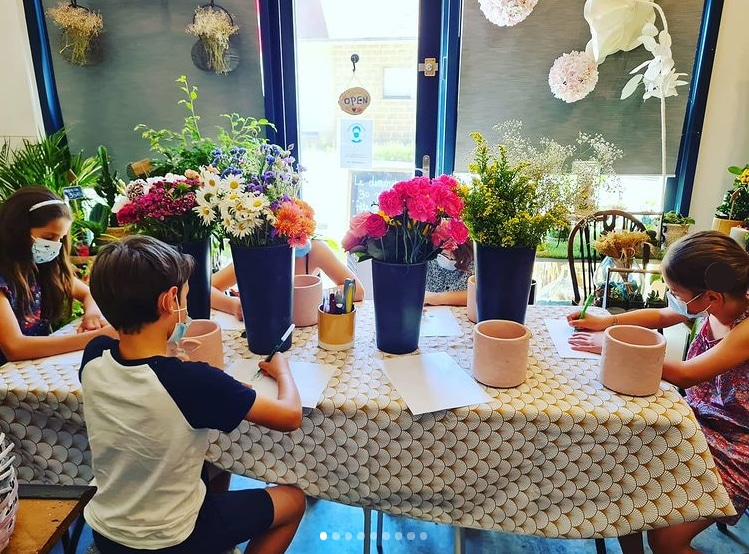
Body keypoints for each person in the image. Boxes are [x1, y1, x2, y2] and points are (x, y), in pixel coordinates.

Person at [83, 235, 305, 554]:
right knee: (293, 501)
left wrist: (175, 358)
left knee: (216, 467)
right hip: (173, 539)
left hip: (108, 530)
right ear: (170, 300)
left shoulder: (94, 355)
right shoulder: (193, 381)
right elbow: (290, 416)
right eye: (186, 297)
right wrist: (282, 369)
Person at [566, 230, 749, 554]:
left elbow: (688, 374)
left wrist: (614, 348)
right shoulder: (712, 301)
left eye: (676, 292)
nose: (672, 297)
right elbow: (662, 315)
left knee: (666, 541)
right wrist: (608, 323)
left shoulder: (745, 329)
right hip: (696, 418)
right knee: (620, 471)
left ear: (711, 297)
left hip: (738, 446)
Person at [0, 186, 116, 365]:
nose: (55, 246)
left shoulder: (41, 267)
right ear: (16, 231)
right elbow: (15, 348)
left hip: (30, 372)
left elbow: (87, 293)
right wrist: (99, 337)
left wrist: (92, 314)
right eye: (48, 237)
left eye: (60, 238)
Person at [212, 238, 364, 320]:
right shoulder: (253, 255)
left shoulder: (314, 251)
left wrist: (312, 296)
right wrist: (233, 305)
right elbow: (206, 289)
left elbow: (357, 290)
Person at [424, 240, 474, 306]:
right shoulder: (428, 260)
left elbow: (475, 296)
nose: (449, 259)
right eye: (444, 255)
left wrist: (435, 298)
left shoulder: (472, 265)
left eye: (454, 259)